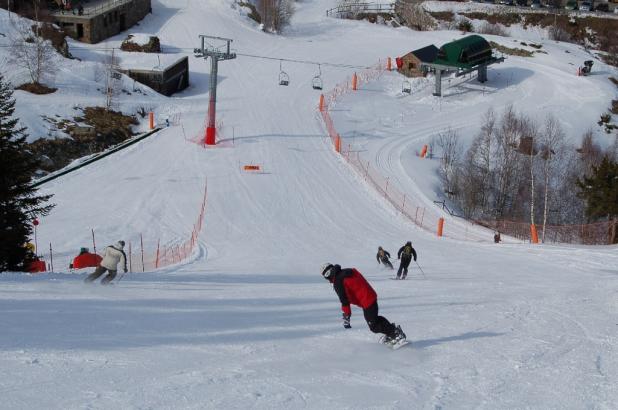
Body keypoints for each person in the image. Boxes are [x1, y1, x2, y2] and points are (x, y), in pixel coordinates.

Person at [320, 263, 405, 345]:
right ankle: (392, 331)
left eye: (326, 276)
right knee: (375, 319)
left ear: (328, 274)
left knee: (373, 326)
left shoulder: (338, 281)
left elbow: (344, 301)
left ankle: (395, 334)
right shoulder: (347, 271)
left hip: (366, 301)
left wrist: (346, 316)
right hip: (369, 296)